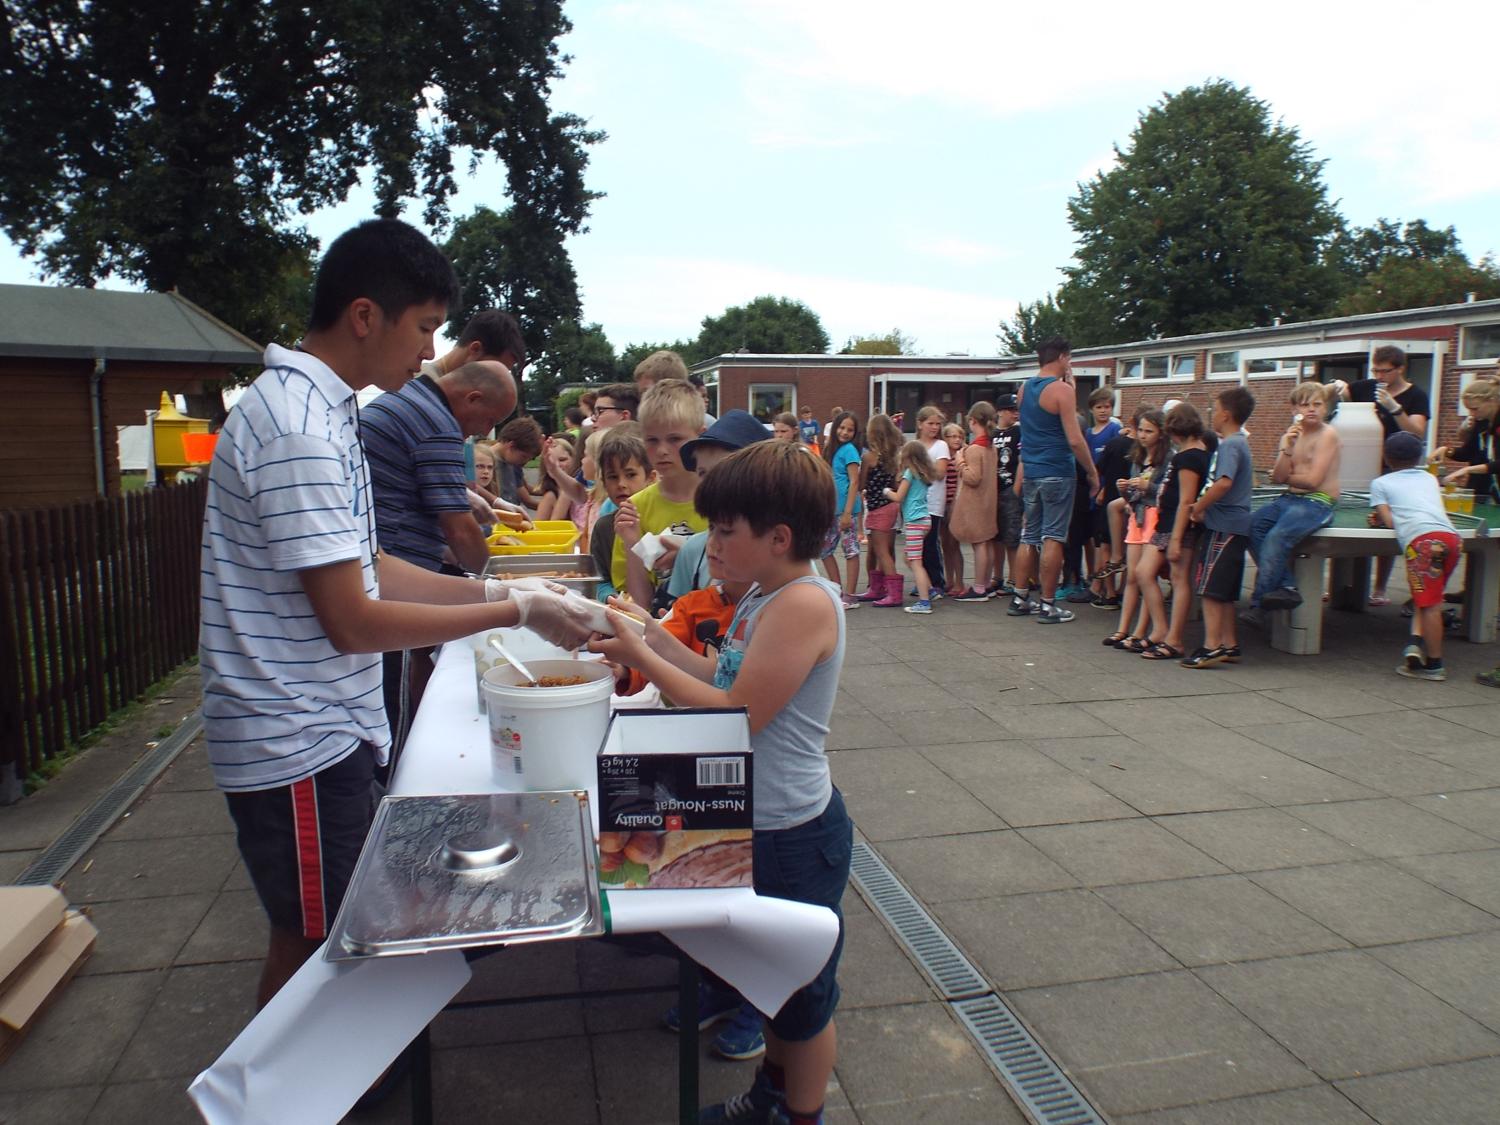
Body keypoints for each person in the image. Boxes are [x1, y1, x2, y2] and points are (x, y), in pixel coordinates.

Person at [199, 219, 593, 1010]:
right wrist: (511, 607)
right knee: (320, 945)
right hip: (296, 734)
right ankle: (289, 1075)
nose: (430, 352)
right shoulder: (299, 427)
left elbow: (373, 565)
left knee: (329, 931)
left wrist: (508, 596)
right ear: (364, 315)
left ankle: (320, 1066)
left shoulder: (324, 410)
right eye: (423, 328)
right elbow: (354, 618)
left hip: (320, 725)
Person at [589, 441, 851, 1125]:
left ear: (779, 538)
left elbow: (736, 714)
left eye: (726, 531)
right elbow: (718, 674)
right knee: (773, 987)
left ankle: (800, 1115)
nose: (712, 545)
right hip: (758, 819)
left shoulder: (803, 604)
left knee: (803, 1000)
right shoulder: (763, 595)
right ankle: (771, 1098)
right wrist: (650, 632)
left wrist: (641, 652)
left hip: (791, 831)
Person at [359, 358, 520, 753]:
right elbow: (459, 529)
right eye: (489, 420)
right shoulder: (437, 424)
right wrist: (494, 579)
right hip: (388, 581)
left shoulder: (412, 401)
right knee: (392, 702)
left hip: (380, 567)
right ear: (473, 397)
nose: (482, 432)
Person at [1007, 338, 1100, 623]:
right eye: (1069, 359)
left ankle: (1020, 597)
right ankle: (1048, 604)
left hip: (1032, 471)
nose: (1070, 363)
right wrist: (1092, 472)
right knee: (1054, 536)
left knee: (1029, 535)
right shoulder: (1061, 390)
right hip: (1057, 470)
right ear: (1061, 357)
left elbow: (1035, 426)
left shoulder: (1024, 389)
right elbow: (1075, 438)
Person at [1337, 346, 1430, 605]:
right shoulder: (1366, 387)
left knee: (1387, 525)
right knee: (1352, 521)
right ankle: (1342, 585)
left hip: (1396, 466)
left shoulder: (1416, 395)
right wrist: (1338, 389)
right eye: (1375, 370)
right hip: (1360, 464)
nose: (1379, 376)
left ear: (1401, 368)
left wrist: (1395, 408)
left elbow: (1417, 432)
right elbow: (1342, 395)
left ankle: (1379, 589)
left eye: (1385, 371)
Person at [1246, 382, 1343, 619]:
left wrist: (1285, 478)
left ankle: (1258, 606)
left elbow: (1313, 481)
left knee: (1277, 536)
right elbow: (1278, 477)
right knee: (1251, 527)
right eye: (1305, 404)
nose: (1312, 409)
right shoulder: (1289, 437)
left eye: (1317, 404)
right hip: (1289, 498)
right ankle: (1287, 586)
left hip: (1318, 501)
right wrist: (1287, 449)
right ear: (1295, 410)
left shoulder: (1328, 435)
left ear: (1325, 408)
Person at [1368, 431, 1460, 682]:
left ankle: (1434, 665)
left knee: (1430, 605)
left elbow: (1389, 521)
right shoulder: (1429, 478)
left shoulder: (1381, 483)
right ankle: (1414, 643)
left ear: (1386, 457)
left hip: (1423, 543)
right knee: (1428, 596)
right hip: (1451, 539)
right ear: (1419, 456)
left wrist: (1381, 518)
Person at [613, 379, 709, 609]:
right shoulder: (635, 508)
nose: (662, 450)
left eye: (675, 439)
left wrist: (690, 557)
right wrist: (632, 542)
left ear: (700, 436)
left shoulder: (725, 502)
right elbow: (640, 602)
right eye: (652, 440)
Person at [1182, 387, 1256, 668]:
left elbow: (1223, 482)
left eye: (1214, 409)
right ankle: (1229, 643)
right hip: (1236, 526)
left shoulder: (1230, 445)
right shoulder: (1239, 443)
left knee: (1211, 588)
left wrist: (1198, 507)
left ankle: (1211, 646)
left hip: (1224, 526)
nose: (1211, 414)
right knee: (1224, 590)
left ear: (1225, 414)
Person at [667, 411, 775, 601]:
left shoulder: (782, 559)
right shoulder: (693, 550)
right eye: (702, 473)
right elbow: (675, 612)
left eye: (722, 473)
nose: (709, 485)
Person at [1133, 403, 1208, 660]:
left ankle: (1174, 639)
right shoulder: (1192, 452)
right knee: (1144, 572)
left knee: (1178, 578)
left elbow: (1186, 499)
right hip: (1166, 522)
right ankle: (1161, 629)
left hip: (1177, 525)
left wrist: (1176, 539)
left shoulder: (1189, 458)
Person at [1104, 409, 1167, 652]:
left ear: (1161, 433)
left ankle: (1141, 631)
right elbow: (1133, 496)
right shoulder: (1138, 456)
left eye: (1149, 431)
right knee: (1132, 575)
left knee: (1145, 576)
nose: (1142, 435)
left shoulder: (1167, 458)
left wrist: (1146, 486)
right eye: (1140, 430)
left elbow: (1165, 492)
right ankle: (1123, 629)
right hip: (1137, 517)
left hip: (1154, 517)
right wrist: (1124, 489)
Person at [588, 425, 653, 601]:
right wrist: (610, 597)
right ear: (603, 482)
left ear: (650, 478)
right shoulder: (604, 527)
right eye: (613, 477)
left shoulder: (660, 520)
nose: (621, 484)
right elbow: (600, 580)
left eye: (630, 475)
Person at [1089, 407, 1139, 607]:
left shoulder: (1115, 443)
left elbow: (1099, 469)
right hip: (1135, 503)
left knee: (1107, 547)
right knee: (1130, 547)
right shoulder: (1149, 449)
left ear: (1132, 422)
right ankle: (1125, 590)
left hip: (1111, 498)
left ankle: (1109, 593)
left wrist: (1100, 488)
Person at [885, 440, 942, 613]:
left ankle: (924, 602)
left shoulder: (910, 473)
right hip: (924, 520)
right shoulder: (923, 474)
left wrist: (886, 491)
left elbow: (898, 497)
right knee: (908, 558)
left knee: (916, 562)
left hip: (914, 522)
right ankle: (930, 590)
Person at [950, 402, 1000, 600]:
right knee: (987, 542)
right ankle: (986, 583)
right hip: (989, 501)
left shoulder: (974, 450)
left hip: (976, 503)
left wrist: (960, 461)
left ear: (972, 421)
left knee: (979, 543)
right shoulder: (991, 447)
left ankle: (979, 588)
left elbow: (972, 477)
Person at [853, 414, 904, 607]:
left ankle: (893, 594)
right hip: (891, 506)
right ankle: (878, 589)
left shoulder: (868, 457)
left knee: (880, 551)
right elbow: (896, 484)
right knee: (885, 549)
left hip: (877, 508)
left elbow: (861, 484)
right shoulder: (894, 457)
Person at [819, 411, 864, 607]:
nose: (845, 432)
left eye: (850, 430)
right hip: (833, 509)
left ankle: (850, 595)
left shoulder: (850, 450)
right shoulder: (832, 449)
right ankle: (837, 589)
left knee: (850, 551)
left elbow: (854, 481)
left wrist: (847, 512)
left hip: (847, 510)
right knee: (824, 548)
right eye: (842, 428)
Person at [1437, 376, 1500, 502]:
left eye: (1475, 409)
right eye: (1469, 409)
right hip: (1484, 490)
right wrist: (1447, 451)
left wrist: (1468, 469)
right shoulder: (1481, 421)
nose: (1471, 414)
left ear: (1492, 401)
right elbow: (1469, 452)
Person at [913, 406, 950, 601]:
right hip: (914, 502)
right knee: (916, 545)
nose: (935, 427)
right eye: (930, 423)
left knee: (930, 544)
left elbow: (940, 472)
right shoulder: (914, 446)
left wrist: (918, 470)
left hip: (933, 502)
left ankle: (937, 582)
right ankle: (923, 582)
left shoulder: (941, 446)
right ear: (920, 424)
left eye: (937, 424)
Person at [939, 422, 967, 595]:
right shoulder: (943, 455)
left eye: (960, 436)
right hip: (941, 503)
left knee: (954, 544)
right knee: (945, 544)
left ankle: (959, 582)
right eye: (953, 436)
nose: (957, 440)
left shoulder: (962, 455)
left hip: (955, 504)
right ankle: (949, 580)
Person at [534, 432, 577, 521]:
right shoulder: (550, 496)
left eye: (562, 460)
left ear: (574, 459)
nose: (557, 465)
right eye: (551, 461)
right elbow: (539, 526)